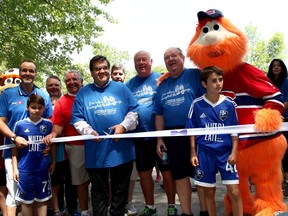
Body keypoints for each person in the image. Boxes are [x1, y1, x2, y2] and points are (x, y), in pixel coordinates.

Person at [71, 55, 139, 216]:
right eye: (97, 69)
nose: (101, 71)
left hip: (122, 152)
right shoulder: (83, 93)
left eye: (104, 68)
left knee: (119, 193)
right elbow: (77, 119)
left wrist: (123, 126)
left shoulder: (122, 88)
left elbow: (134, 112)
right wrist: (89, 132)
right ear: (91, 72)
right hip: (96, 154)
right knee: (98, 193)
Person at [154, 47, 207, 216]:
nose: (170, 59)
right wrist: (159, 139)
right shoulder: (162, 86)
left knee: (200, 174)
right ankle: (186, 212)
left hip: (196, 133)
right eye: (166, 57)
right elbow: (159, 114)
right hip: (171, 136)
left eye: (173, 56)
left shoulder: (196, 75)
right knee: (179, 176)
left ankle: (205, 210)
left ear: (183, 57)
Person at [126, 50, 177, 216]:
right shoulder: (129, 85)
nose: (141, 63)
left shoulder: (162, 79)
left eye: (144, 60)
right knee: (144, 172)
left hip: (161, 136)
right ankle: (150, 207)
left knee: (167, 171)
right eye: (137, 61)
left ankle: (171, 206)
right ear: (134, 65)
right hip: (140, 137)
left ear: (150, 61)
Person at [186, 66, 243, 216]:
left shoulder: (229, 104)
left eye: (220, 80)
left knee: (235, 191)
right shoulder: (197, 104)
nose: (218, 83)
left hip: (225, 153)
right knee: (209, 192)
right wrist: (193, 152)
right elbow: (191, 130)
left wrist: (234, 152)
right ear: (204, 84)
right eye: (213, 81)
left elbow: (234, 131)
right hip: (205, 153)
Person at [0, 59, 53, 216]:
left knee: (37, 197)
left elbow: (49, 123)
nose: (27, 74)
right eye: (24, 70)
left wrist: (49, 145)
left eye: (31, 71)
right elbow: (1, 121)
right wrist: (14, 137)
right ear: (19, 73)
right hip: (14, 155)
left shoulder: (43, 95)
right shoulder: (8, 94)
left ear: (35, 74)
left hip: (38, 156)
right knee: (14, 196)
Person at [43, 70, 90, 216]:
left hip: (97, 144)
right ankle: (84, 211)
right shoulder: (61, 102)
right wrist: (53, 134)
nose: (71, 82)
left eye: (74, 79)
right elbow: (57, 124)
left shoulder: (91, 95)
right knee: (79, 182)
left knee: (100, 179)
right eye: (68, 80)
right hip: (75, 148)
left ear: (82, 81)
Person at [12, 94, 53, 216]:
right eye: (33, 107)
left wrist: (53, 161)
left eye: (40, 107)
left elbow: (53, 145)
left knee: (42, 200)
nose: (36, 110)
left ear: (44, 108)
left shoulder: (48, 124)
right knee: (26, 202)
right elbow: (14, 149)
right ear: (27, 108)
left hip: (42, 170)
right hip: (25, 170)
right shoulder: (20, 125)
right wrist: (15, 168)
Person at [110, 63, 138, 216]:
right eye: (115, 74)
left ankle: (129, 202)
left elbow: (134, 112)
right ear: (111, 75)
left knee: (130, 175)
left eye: (120, 74)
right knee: (111, 176)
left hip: (127, 139)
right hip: (109, 139)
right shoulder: (106, 91)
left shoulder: (128, 91)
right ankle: (112, 203)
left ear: (124, 76)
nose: (118, 76)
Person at [267, 58, 288, 197]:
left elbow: (286, 101)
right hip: (271, 122)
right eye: (273, 66)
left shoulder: (286, 81)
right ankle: (274, 182)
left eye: (278, 65)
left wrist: (276, 114)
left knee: (286, 153)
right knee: (272, 154)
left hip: (284, 120)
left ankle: (286, 182)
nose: (276, 68)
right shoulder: (268, 82)